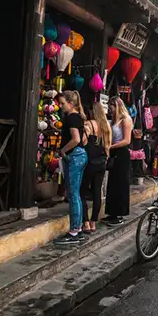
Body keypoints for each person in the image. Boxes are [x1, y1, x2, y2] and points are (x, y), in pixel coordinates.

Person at [54, 91, 88, 245]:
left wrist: (63, 150)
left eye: (62, 103)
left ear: (71, 103)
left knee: (73, 194)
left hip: (74, 155)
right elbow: (84, 140)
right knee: (76, 193)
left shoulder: (72, 117)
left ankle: (74, 230)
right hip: (80, 155)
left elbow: (76, 139)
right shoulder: (78, 117)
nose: (60, 106)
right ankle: (78, 229)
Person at [81, 102, 111, 233]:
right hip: (102, 163)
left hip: (90, 162)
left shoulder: (88, 124)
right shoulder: (106, 127)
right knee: (97, 192)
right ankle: (93, 223)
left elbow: (83, 142)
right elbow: (108, 148)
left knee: (82, 192)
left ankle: (85, 222)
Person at [104, 97, 132, 226]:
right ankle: (111, 213)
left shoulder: (125, 120)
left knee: (120, 184)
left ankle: (120, 213)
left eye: (112, 106)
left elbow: (127, 140)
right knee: (112, 183)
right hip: (114, 152)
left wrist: (111, 146)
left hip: (121, 153)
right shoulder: (113, 120)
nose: (110, 108)